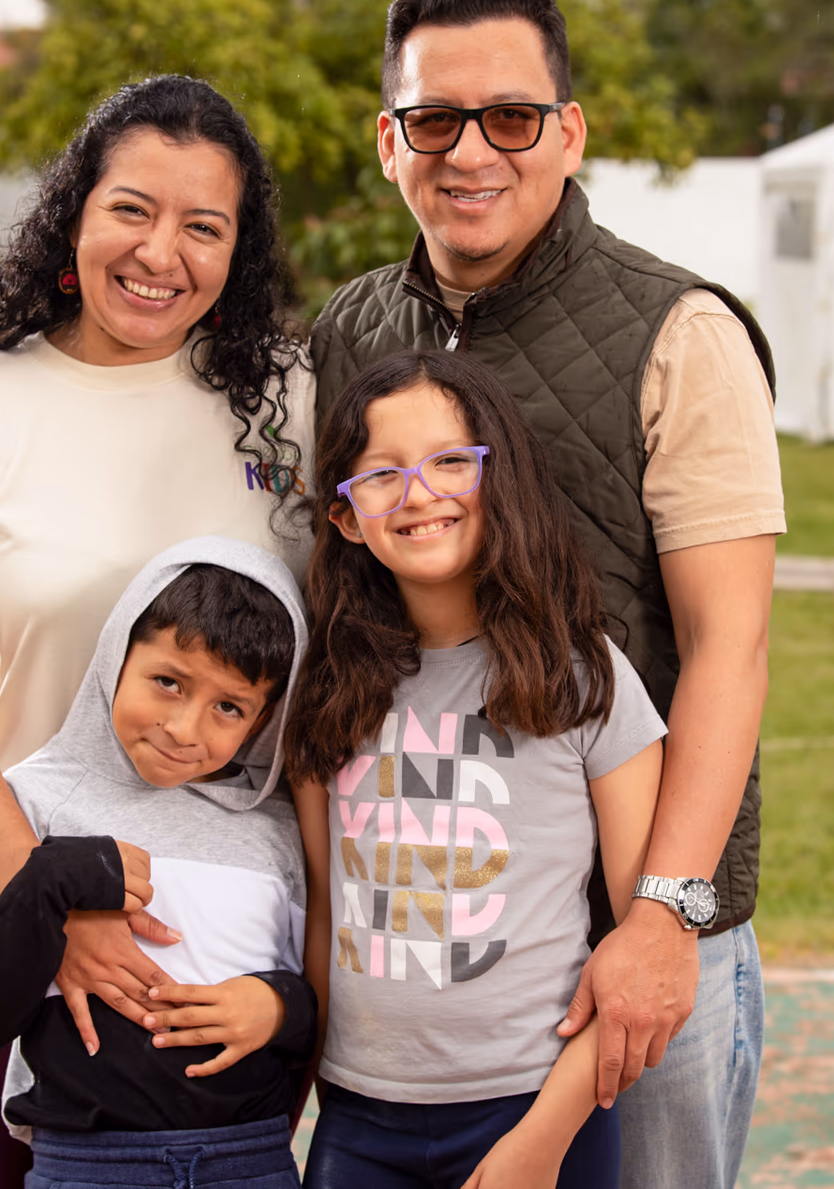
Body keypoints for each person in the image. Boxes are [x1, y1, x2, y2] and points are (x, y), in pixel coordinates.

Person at [310, 0, 783, 1188]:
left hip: (637, 926)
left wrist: (664, 918)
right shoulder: (345, 337)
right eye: (434, 119)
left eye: (510, 118)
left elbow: (729, 649)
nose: (471, 151)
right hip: (431, 963)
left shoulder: (683, 333)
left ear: (568, 132)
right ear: (388, 141)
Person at [0, 74, 312, 1189]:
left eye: (206, 226)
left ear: (238, 252)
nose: (162, 253)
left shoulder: (291, 400)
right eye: (132, 209)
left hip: (218, 985)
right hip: (5, 938)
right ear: (74, 215)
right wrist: (50, 910)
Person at [285, 351, 666, 1189]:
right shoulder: (325, 688)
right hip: (358, 1117)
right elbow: (323, 918)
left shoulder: (585, 678)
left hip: (537, 1112)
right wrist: (282, 1113)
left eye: (451, 462)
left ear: (502, 479)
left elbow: (636, 941)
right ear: (346, 518)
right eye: (380, 475)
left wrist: (545, 1140)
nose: (419, 494)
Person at [0, 540, 315, 1189]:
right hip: (87, 1168)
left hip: (249, 1163)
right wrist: (53, 876)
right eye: (167, 682)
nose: (183, 727)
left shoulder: (277, 829)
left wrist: (279, 1007)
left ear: (266, 719)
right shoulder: (32, 800)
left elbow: (318, 999)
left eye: (229, 707)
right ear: (117, 655)